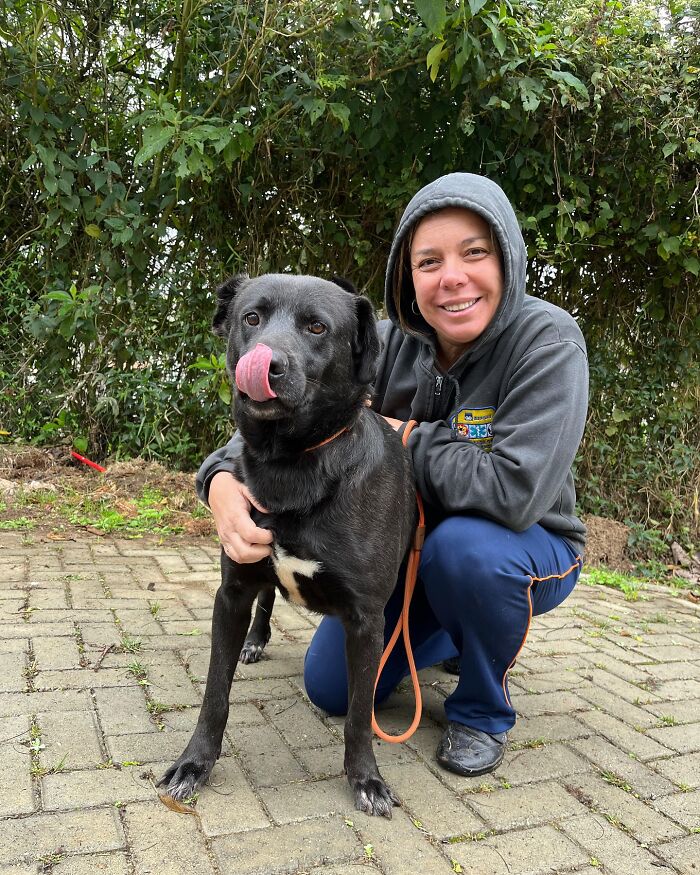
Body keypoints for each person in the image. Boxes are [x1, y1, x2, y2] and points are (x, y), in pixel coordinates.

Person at [196, 172, 589, 777]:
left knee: (467, 554)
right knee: (330, 687)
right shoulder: (381, 343)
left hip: (521, 543)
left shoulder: (548, 343)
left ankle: (482, 710)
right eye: (429, 260)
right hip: (405, 552)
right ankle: (455, 630)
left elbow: (514, 490)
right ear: (408, 274)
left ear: (507, 259)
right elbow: (289, 413)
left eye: (474, 253)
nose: (451, 277)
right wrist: (221, 478)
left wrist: (402, 435)